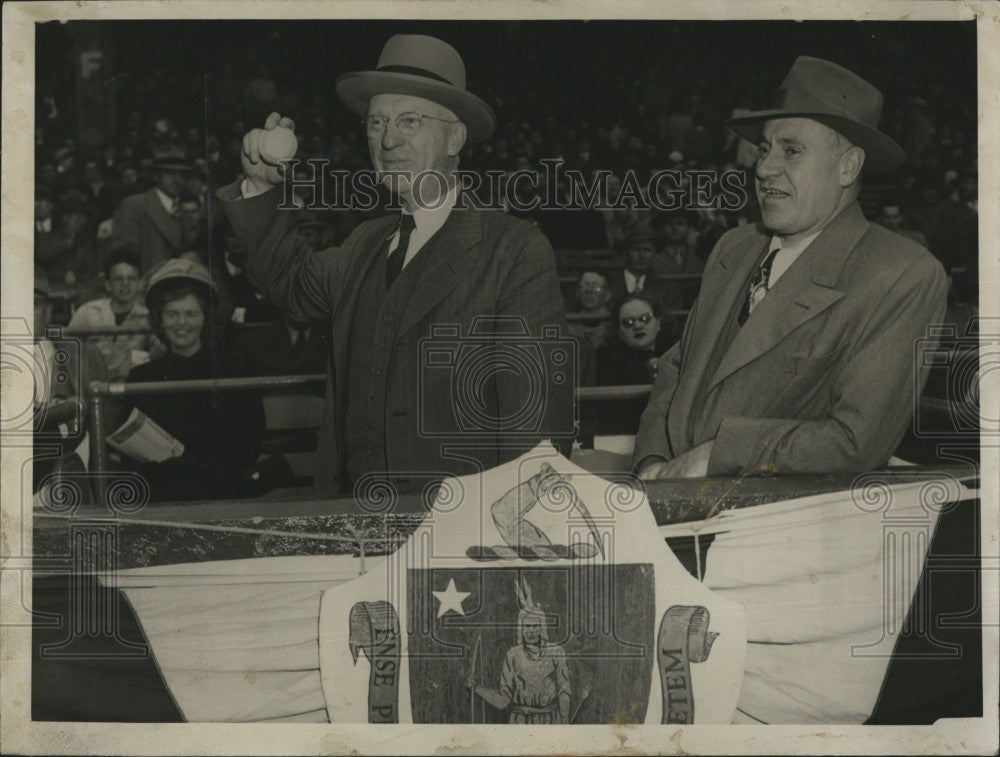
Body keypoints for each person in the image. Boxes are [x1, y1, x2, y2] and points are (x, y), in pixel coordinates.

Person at [219, 35, 571, 495]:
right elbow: (293, 284)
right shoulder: (366, 241)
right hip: (353, 527)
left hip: (456, 537)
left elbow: (535, 433)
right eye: (376, 122)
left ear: (455, 136)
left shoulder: (514, 249)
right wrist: (260, 188)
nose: (387, 140)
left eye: (409, 120)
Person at [632, 56, 948, 480]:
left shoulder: (902, 274)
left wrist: (714, 456)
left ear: (848, 166)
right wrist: (651, 463)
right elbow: (676, 368)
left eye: (791, 150)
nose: (763, 168)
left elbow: (855, 441)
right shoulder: (735, 246)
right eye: (764, 149)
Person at [125, 259, 265, 502]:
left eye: (191, 314)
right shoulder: (142, 377)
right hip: (160, 497)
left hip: (220, 495)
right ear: (159, 320)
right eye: (172, 314)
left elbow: (246, 447)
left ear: (206, 318)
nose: (181, 323)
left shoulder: (233, 372)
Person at [467, 607, 571, 724]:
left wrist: (565, 720)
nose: (531, 630)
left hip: (551, 721)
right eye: (527, 626)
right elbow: (503, 701)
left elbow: (564, 690)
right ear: (521, 628)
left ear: (542, 627)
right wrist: (476, 688)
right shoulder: (512, 655)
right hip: (520, 721)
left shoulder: (556, 652)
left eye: (535, 626)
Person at [67, 248, 155, 379]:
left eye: (131, 279)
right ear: (108, 284)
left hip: (131, 387)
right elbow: (67, 350)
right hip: (91, 386)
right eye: (118, 279)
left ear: (139, 283)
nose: (125, 284)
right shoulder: (88, 312)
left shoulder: (148, 318)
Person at [112, 151, 200, 274]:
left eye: (181, 175)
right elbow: (123, 257)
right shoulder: (134, 205)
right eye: (170, 173)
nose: (177, 180)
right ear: (156, 176)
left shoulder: (184, 208)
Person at [595, 294, 669, 436]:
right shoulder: (606, 359)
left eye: (645, 319)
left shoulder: (676, 352)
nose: (638, 325)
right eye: (628, 322)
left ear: (659, 323)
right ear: (619, 331)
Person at [608, 222, 683, 341]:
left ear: (654, 255)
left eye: (647, 250)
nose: (642, 256)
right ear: (626, 253)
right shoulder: (609, 285)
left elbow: (672, 327)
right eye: (636, 249)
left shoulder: (669, 288)